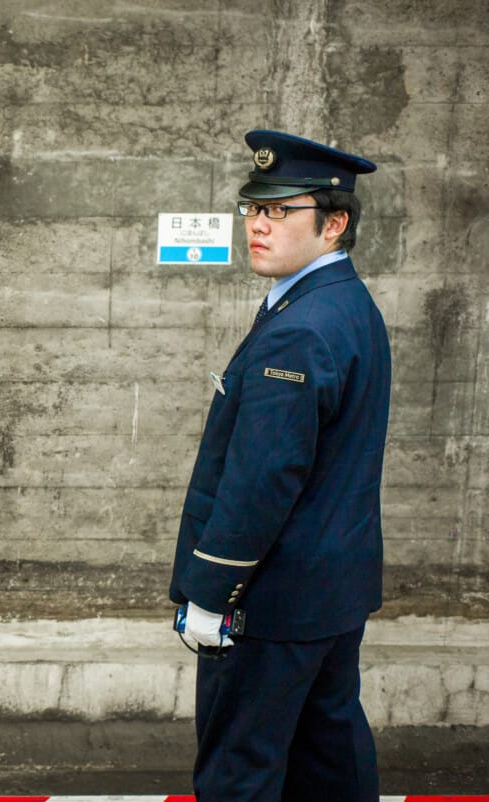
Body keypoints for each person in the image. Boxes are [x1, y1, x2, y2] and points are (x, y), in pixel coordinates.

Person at [168, 129, 391, 802]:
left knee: (242, 770)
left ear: (335, 222)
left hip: (272, 601)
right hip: (332, 593)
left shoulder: (299, 327)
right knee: (328, 764)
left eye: (280, 210)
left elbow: (263, 480)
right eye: (253, 209)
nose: (258, 225)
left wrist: (211, 593)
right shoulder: (347, 306)